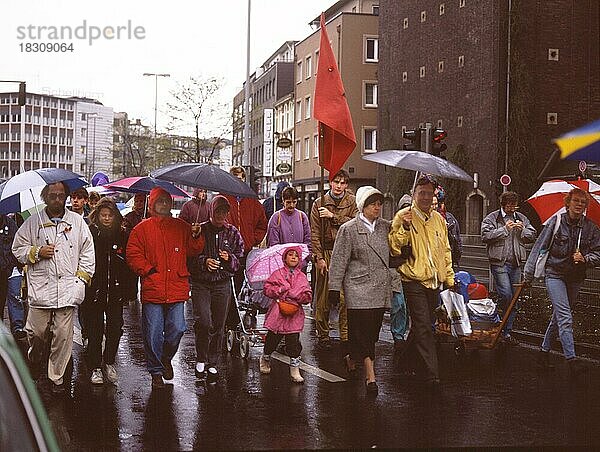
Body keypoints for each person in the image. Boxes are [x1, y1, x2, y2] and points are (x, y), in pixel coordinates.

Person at [12, 181, 95, 394]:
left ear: (66, 197)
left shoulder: (77, 222)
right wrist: (37, 252)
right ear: (45, 197)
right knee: (36, 333)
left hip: (68, 288)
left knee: (63, 336)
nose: (57, 199)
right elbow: (17, 248)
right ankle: (35, 358)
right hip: (41, 289)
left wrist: (80, 280)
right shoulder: (32, 223)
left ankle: (55, 379)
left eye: (61, 195)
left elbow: (87, 253)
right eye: (52, 195)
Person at [126, 187, 204, 388]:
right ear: (152, 204)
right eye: (160, 201)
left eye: (167, 201)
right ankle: (156, 372)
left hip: (177, 287)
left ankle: (165, 358)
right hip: (153, 288)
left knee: (177, 328)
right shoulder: (141, 229)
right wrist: (148, 270)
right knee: (153, 332)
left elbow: (194, 250)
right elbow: (133, 254)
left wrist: (195, 235)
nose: (164, 204)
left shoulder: (182, 226)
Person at [523, 188, 600, 375]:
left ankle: (543, 351)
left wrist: (586, 258)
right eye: (576, 201)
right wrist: (528, 275)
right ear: (568, 203)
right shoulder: (555, 223)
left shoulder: (590, 228)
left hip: (575, 278)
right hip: (554, 274)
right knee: (565, 316)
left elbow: (598, 253)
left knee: (559, 315)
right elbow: (539, 248)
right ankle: (571, 359)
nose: (579, 205)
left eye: (583, 202)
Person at [389, 175, 454, 388]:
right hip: (413, 279)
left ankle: (403, 361)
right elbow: (395, 247)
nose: (426, 197)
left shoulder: (439, 220)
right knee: (425, 325)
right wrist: (405, 228)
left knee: (421, 326)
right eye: (421, 193)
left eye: (429, 193)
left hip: (434, 280)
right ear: (414, 194)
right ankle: (432, 373)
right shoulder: (404, 216)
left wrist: (450, 278)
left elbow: (445, 250)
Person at [328, 186, 391, 395]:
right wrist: (334, 288)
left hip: (380, 288)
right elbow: (338, 261)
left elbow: (395, 249)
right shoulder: (349, 229)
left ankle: (352, 356)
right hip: (358, 287)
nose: (377, 208)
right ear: (362, 206)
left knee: (372, 333)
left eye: (379, 204)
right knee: (363, 332)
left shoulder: (385, 227)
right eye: (373, 204)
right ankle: (371, 377)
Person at [189, 195, 243, 383]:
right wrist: (204, 262)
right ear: (211, 211)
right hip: (201, 283)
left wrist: (229, 259)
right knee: (204, 322)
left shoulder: (233, 232)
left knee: (219, 324)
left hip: (222, 283)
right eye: (217, 211)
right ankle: (201, 358)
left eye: (224, 212)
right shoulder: (200, 229)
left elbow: (239, 260)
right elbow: (189, 257)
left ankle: (213, 361)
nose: (220, 215)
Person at [310, 169, 358, 354]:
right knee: (324, 295)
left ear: (347, 185)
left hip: (346, 252)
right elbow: (314, 233)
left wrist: (333, 217)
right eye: (336, 182)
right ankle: (323, 334)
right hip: (327, 251)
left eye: (343, 182)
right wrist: (319, 257)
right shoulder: (318, 203)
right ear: (330, 182)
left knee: (347, 296)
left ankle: (345, 335)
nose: (339, 186)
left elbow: (356, 222)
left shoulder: (352, 202)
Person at [481, 191, 536, 344]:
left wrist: (523, 230)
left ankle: (506, 332)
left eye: (514, 205)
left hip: (516, 264)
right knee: (506, 295)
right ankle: (497, 319)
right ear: (503, 205)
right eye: (510, 205)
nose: (513, 208)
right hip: (499, 263)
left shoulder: (521, 218)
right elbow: (485, 236)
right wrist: (504, 229)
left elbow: (532, 234)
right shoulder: (493, 218)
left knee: (514, 299)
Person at [86, 198, 129, 385]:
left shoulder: (122, 235)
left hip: (116, 291)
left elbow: (128, 265)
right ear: (97, 215)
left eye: (110, 215)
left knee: (115, 328)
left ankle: (109, 361)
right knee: (94, 330)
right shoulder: (91, 233)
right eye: (103, 215)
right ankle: (95, 366)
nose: (106, 218)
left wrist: (128, 291)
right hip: (95, 290)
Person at [259, 245, 312, 384]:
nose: (293, 257)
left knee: (293, 341)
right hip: (278, 312)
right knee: (272, 339)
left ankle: (294, 368)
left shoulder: (302, 277)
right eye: (290, 255)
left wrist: (299, 296)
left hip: (294, 313)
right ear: (285, 258)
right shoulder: (277, 274)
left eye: (296, 255)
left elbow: (308, 295)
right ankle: (266, 356)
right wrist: (281, 289)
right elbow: (267, 289)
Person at [224, 166, 267, 327]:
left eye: (241, 178)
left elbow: (262, 224)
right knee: (230, 286)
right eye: (235, 177)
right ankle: (230, 319)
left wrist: (253, 239)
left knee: (246, 285)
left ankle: (242, 314)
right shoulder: (224, 198)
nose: (238, 180)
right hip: (229, 251)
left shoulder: (252, 201)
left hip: (247, 251)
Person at [266, 186, 311, 259]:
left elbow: (308, 239)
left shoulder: (302, 216)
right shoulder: (276, 218)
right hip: (281, 262)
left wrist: (305, 258)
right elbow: (273, 244)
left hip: (300, 261)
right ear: (283, 201)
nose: (291, 205)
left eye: (294, 202)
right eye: (288, 202)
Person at [0, 213, 26, 339]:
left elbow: (18, 245)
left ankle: (17, 327)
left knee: (15, 297)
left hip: (12, 268)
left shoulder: (11, 224)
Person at [122, 193, 147, 303]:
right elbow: (126, 233)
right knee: (131, 277)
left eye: (141, 201)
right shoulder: (129, 217)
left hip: (147, 252)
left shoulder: (150, 215)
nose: (139, 204)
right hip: (135, 251)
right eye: (137, 201)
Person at [433, 186, 463, 269]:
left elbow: (457, 238)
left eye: (440, 203)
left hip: (449, 260)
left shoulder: (450, 218)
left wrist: (457, 255)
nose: (439, 206)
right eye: (436, 204)